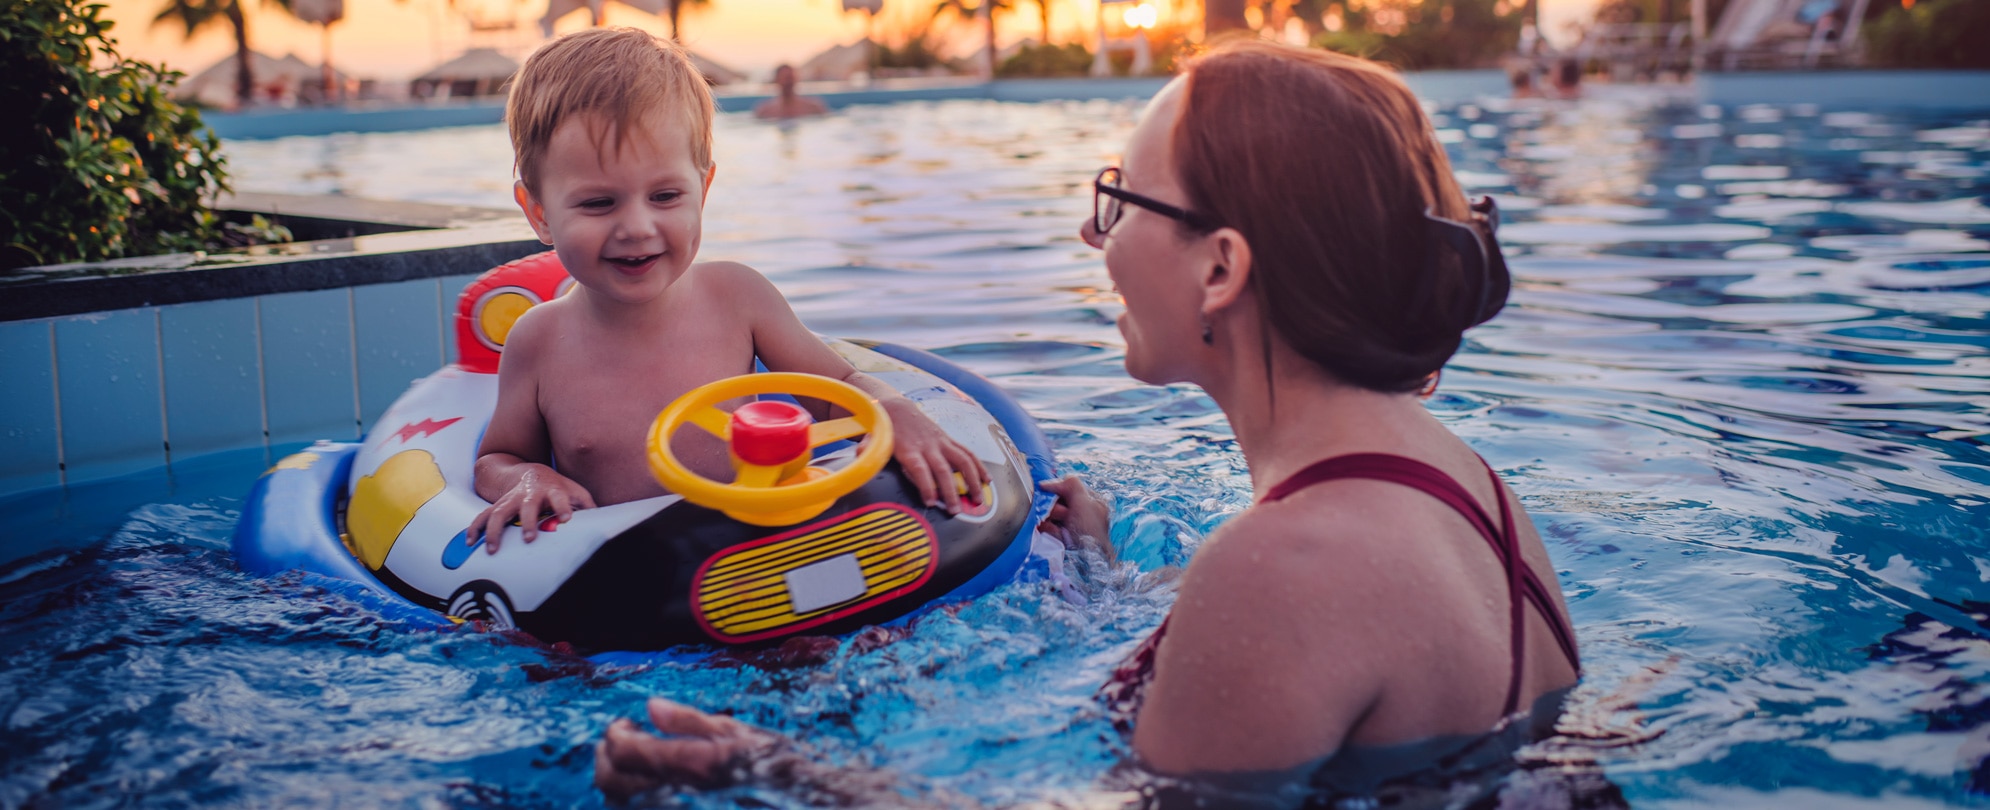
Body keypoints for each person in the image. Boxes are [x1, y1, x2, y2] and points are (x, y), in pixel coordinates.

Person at [593, 39, 1583, 803]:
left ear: (1220, 269)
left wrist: (780, 771)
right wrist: (1105, 572)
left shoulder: (1281, 565)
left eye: (1120, 198)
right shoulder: (1468, 487)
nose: (1090, 232)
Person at [469, 29, 987, 550]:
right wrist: (527, 479)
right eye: (599, 204)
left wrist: (895, 412)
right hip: (635, 590)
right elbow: (497, 459)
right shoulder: (538, 341)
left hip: (765, 556)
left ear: (704, 188)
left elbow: (841, 388)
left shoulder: (737, 298)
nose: (638, 227)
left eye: (666, 195)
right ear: (538, 213)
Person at [753, 64, 828, 120]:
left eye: (790, 78)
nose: (788, 82)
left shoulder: (814, 107)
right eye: (785, 78)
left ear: (797, 80)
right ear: (777, 80)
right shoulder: (765, 111)